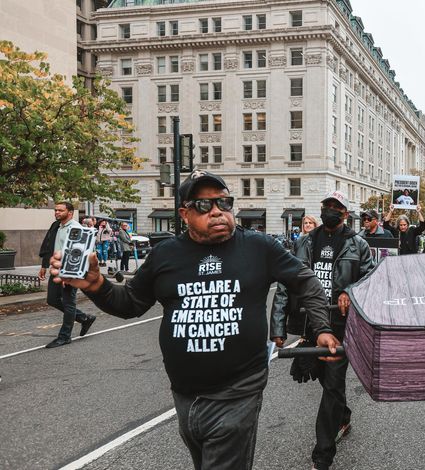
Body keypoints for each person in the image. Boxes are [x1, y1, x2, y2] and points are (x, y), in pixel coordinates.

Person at [50, 170, 339, 470]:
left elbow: (306, 281)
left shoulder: (259, 247)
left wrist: (321, 328)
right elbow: (131, 303)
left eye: (224, 203)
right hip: (184, 395)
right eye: (204, 205)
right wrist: (97, 285)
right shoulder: (165, 254)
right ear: (184, 214)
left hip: (238, 391)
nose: (217, 211)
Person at [272, 190, 373, 470]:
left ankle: (322, 456)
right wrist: (278, 325)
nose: (330, 210)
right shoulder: (304, 242)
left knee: (333, 384)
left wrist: (350, 291)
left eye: (336, 207)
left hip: (342, 327)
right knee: (321, 377)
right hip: (310, 324)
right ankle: (343, 415)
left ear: (345, 214)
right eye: (326, 205)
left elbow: (370, 279)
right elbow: (286, 283)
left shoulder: (358, 244)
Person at [37, 202, 97, 348]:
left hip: (70, 272)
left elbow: (81, 253)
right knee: (52, 300)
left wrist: (70, 274)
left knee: (68, 302)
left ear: (70, 212)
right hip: (56, 269)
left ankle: (64, 337)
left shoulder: (77, 229)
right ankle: (84, 318)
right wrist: (44, 266)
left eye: (60, 210)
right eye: (55, 210)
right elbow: (49, 246)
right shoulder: (56, 226)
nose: (57, 212)